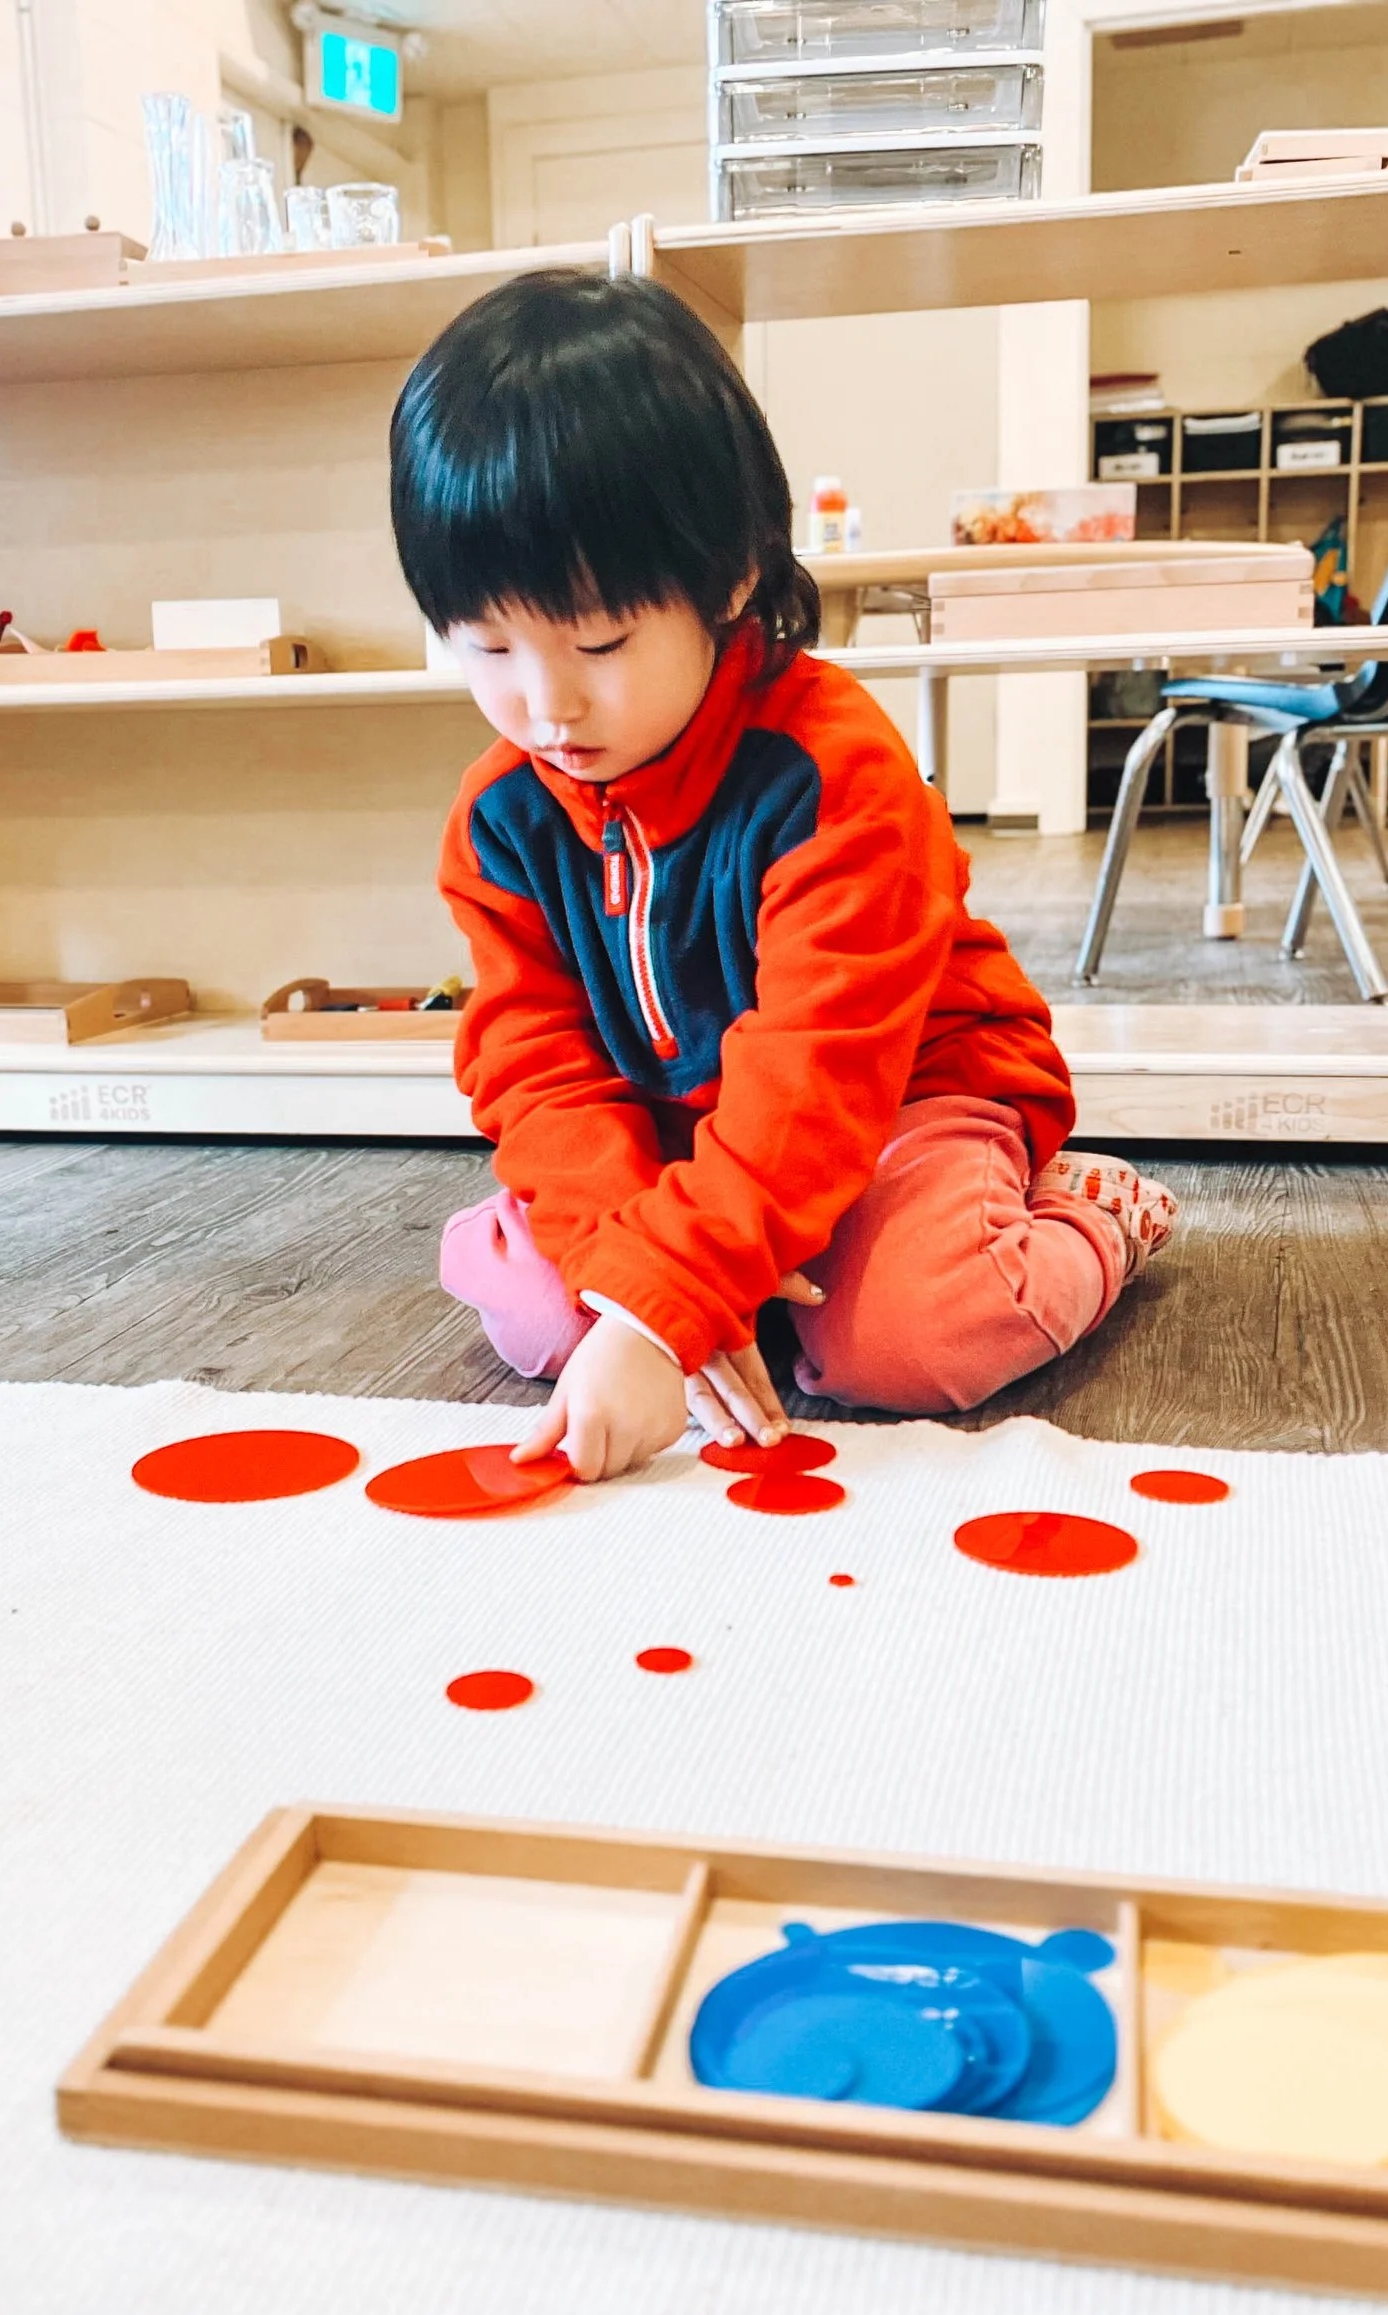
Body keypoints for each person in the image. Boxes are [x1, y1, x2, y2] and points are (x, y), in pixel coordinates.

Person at [393, 271, 1176, 1483]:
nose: (546, 705)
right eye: (488, 646)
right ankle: (730, 1266)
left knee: (908, 1340)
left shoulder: (830, 766)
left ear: (733, 581)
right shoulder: (500, 815)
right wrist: (638, 1285)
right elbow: (533, 1066)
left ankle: (1089, 1217)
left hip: (904, 1094)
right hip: (687, 1129)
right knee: (551, 1320)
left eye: (599, 643)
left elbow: (822, 1069)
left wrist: (665, 1310)